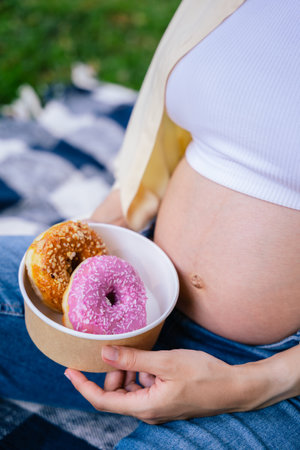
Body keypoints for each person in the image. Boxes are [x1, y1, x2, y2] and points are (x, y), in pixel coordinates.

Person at [1, 0, 300, 448]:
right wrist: (103, 234)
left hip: (271, 375)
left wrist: (254, 385)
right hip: (129, 301)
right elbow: (165, 139)